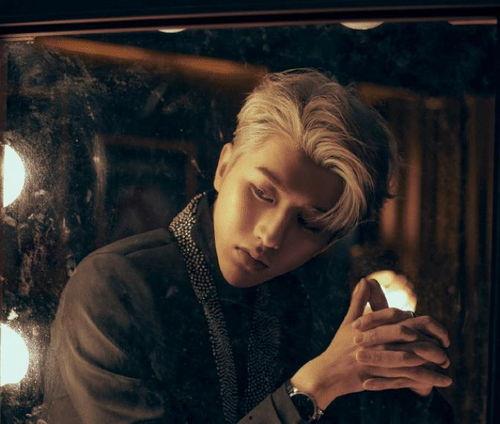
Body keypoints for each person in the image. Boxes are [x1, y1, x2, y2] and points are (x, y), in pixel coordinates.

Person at [42, 69, 453, 423]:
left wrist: (409, 392)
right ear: (224, 168)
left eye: (307, 223)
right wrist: (311, 389)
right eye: (262, 193)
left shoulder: (306, 309)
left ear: (326, 244)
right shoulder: (114, 287)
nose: (271, 236)